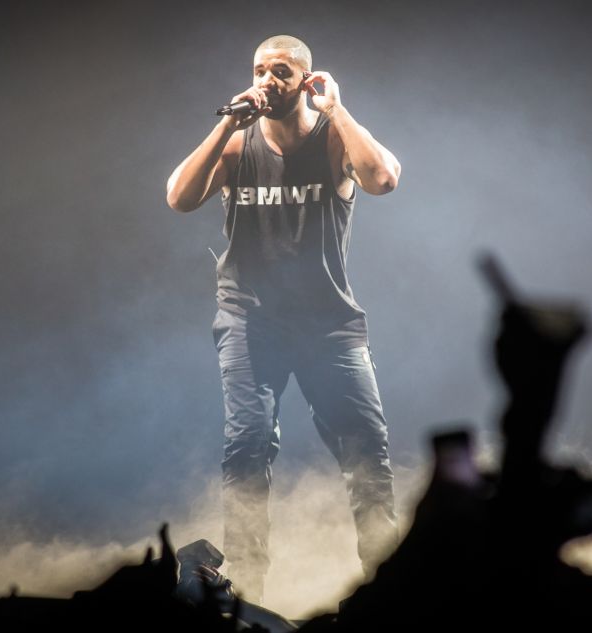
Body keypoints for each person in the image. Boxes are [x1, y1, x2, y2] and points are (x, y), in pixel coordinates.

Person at [166, 34, 401, 604]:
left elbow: (384, 178)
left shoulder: (332, 142)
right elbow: (178, 197)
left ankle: (394, 589)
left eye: (281, 72)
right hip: (251, 323)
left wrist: (337, 109)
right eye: (259, 70)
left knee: (367, 451)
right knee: (247, 447)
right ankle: (244, 589)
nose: (268, 81)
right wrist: (225, 124)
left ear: (304, 81)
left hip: (329, 328)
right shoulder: (236, 146)